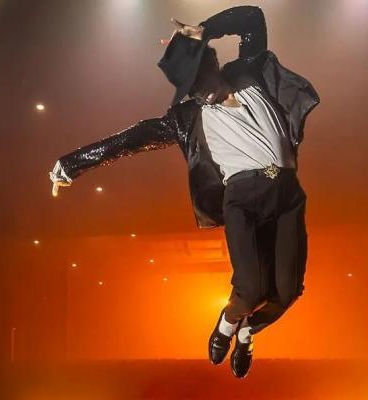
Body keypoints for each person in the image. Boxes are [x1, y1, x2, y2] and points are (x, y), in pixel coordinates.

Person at [49, 5, 319, 378]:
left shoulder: (250, 70)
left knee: (287, 293)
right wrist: (72, 164)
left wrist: (206, 28)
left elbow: (253, 18)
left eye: (199, 81)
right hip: (243, 198)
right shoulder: (187, 117)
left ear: (213, 63)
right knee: (250, 289)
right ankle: (227, 324)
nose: (198, 93)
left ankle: (246, 334)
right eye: (190, 89)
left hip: (288, 194)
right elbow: (134, 138)